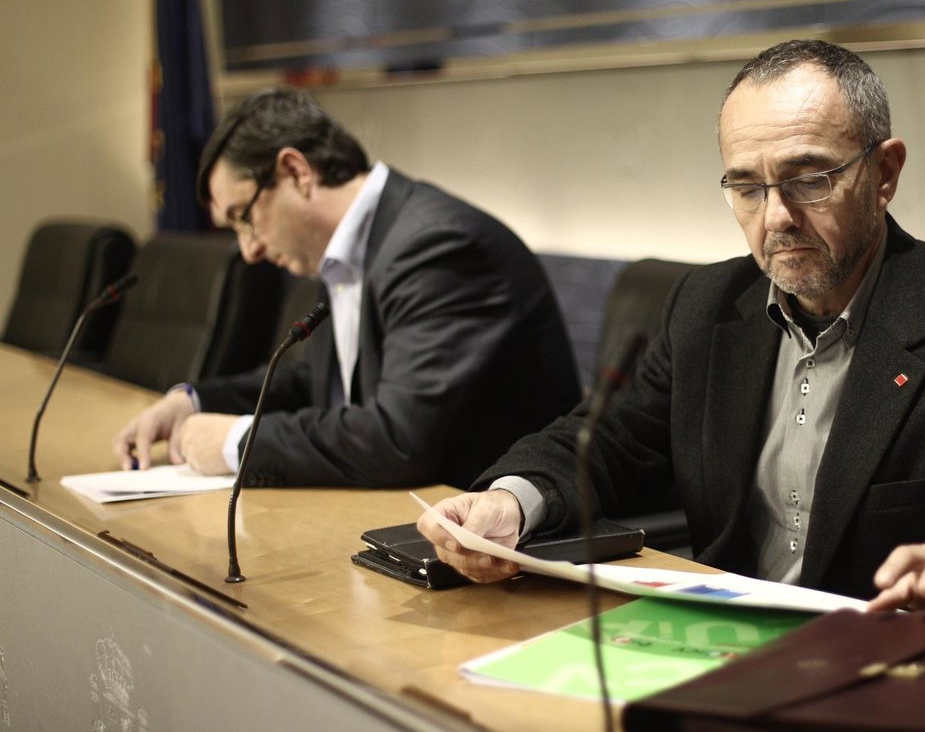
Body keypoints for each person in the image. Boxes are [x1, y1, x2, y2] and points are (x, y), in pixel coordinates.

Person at [417, 40, 925, 612]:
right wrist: (511, 501)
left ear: (884, 174)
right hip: (713, 641)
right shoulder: (704, 304)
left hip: (876, 665)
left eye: (810, 179)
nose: (777, 217)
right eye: (746, 186)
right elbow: (608, 441)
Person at [113, 88, 581, 488]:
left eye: (244, 218)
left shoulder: (437, 247)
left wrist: (237, 441)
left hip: (493, 533)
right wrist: (193, 401)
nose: (249, 250)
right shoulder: (356, 246)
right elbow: (315, 383)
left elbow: (399, 440)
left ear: (297, 172)